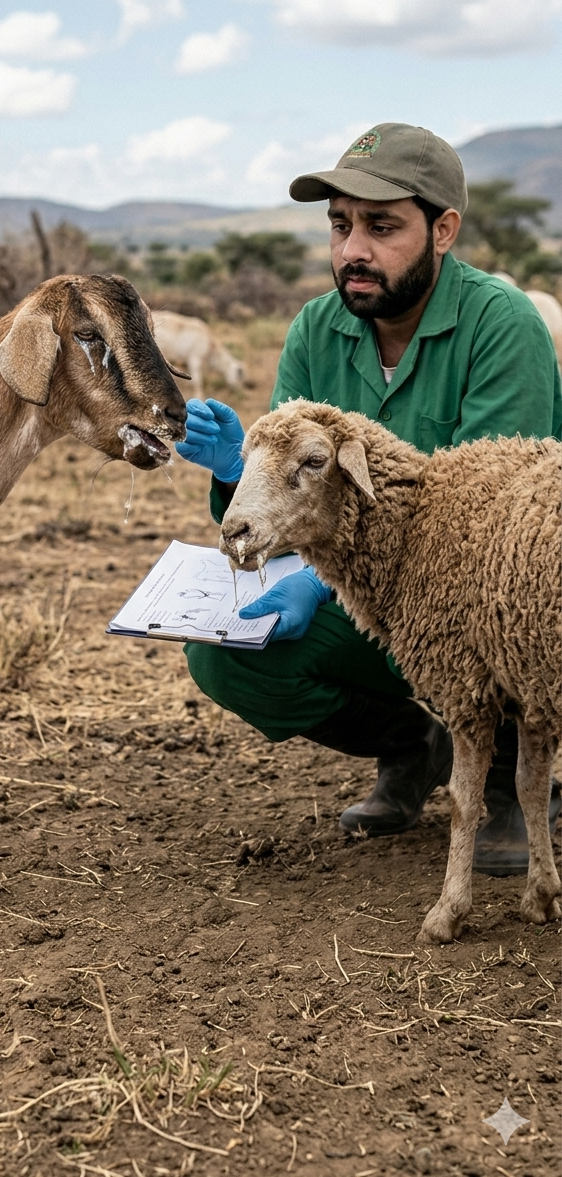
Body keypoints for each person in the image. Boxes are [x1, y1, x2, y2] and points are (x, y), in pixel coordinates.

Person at [176, 122, 562, 876]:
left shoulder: (501, 323)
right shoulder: (317, 331)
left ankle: (513, 784)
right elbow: (289, 503)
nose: (353, 249)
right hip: (369, 597)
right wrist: (232, 470)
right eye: (340, 225)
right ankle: (412, 745)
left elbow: (498, 532)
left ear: (442, 230)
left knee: (511, 611)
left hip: (486, 604)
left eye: (382, 227)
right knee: (228, 655)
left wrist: (316, 589)